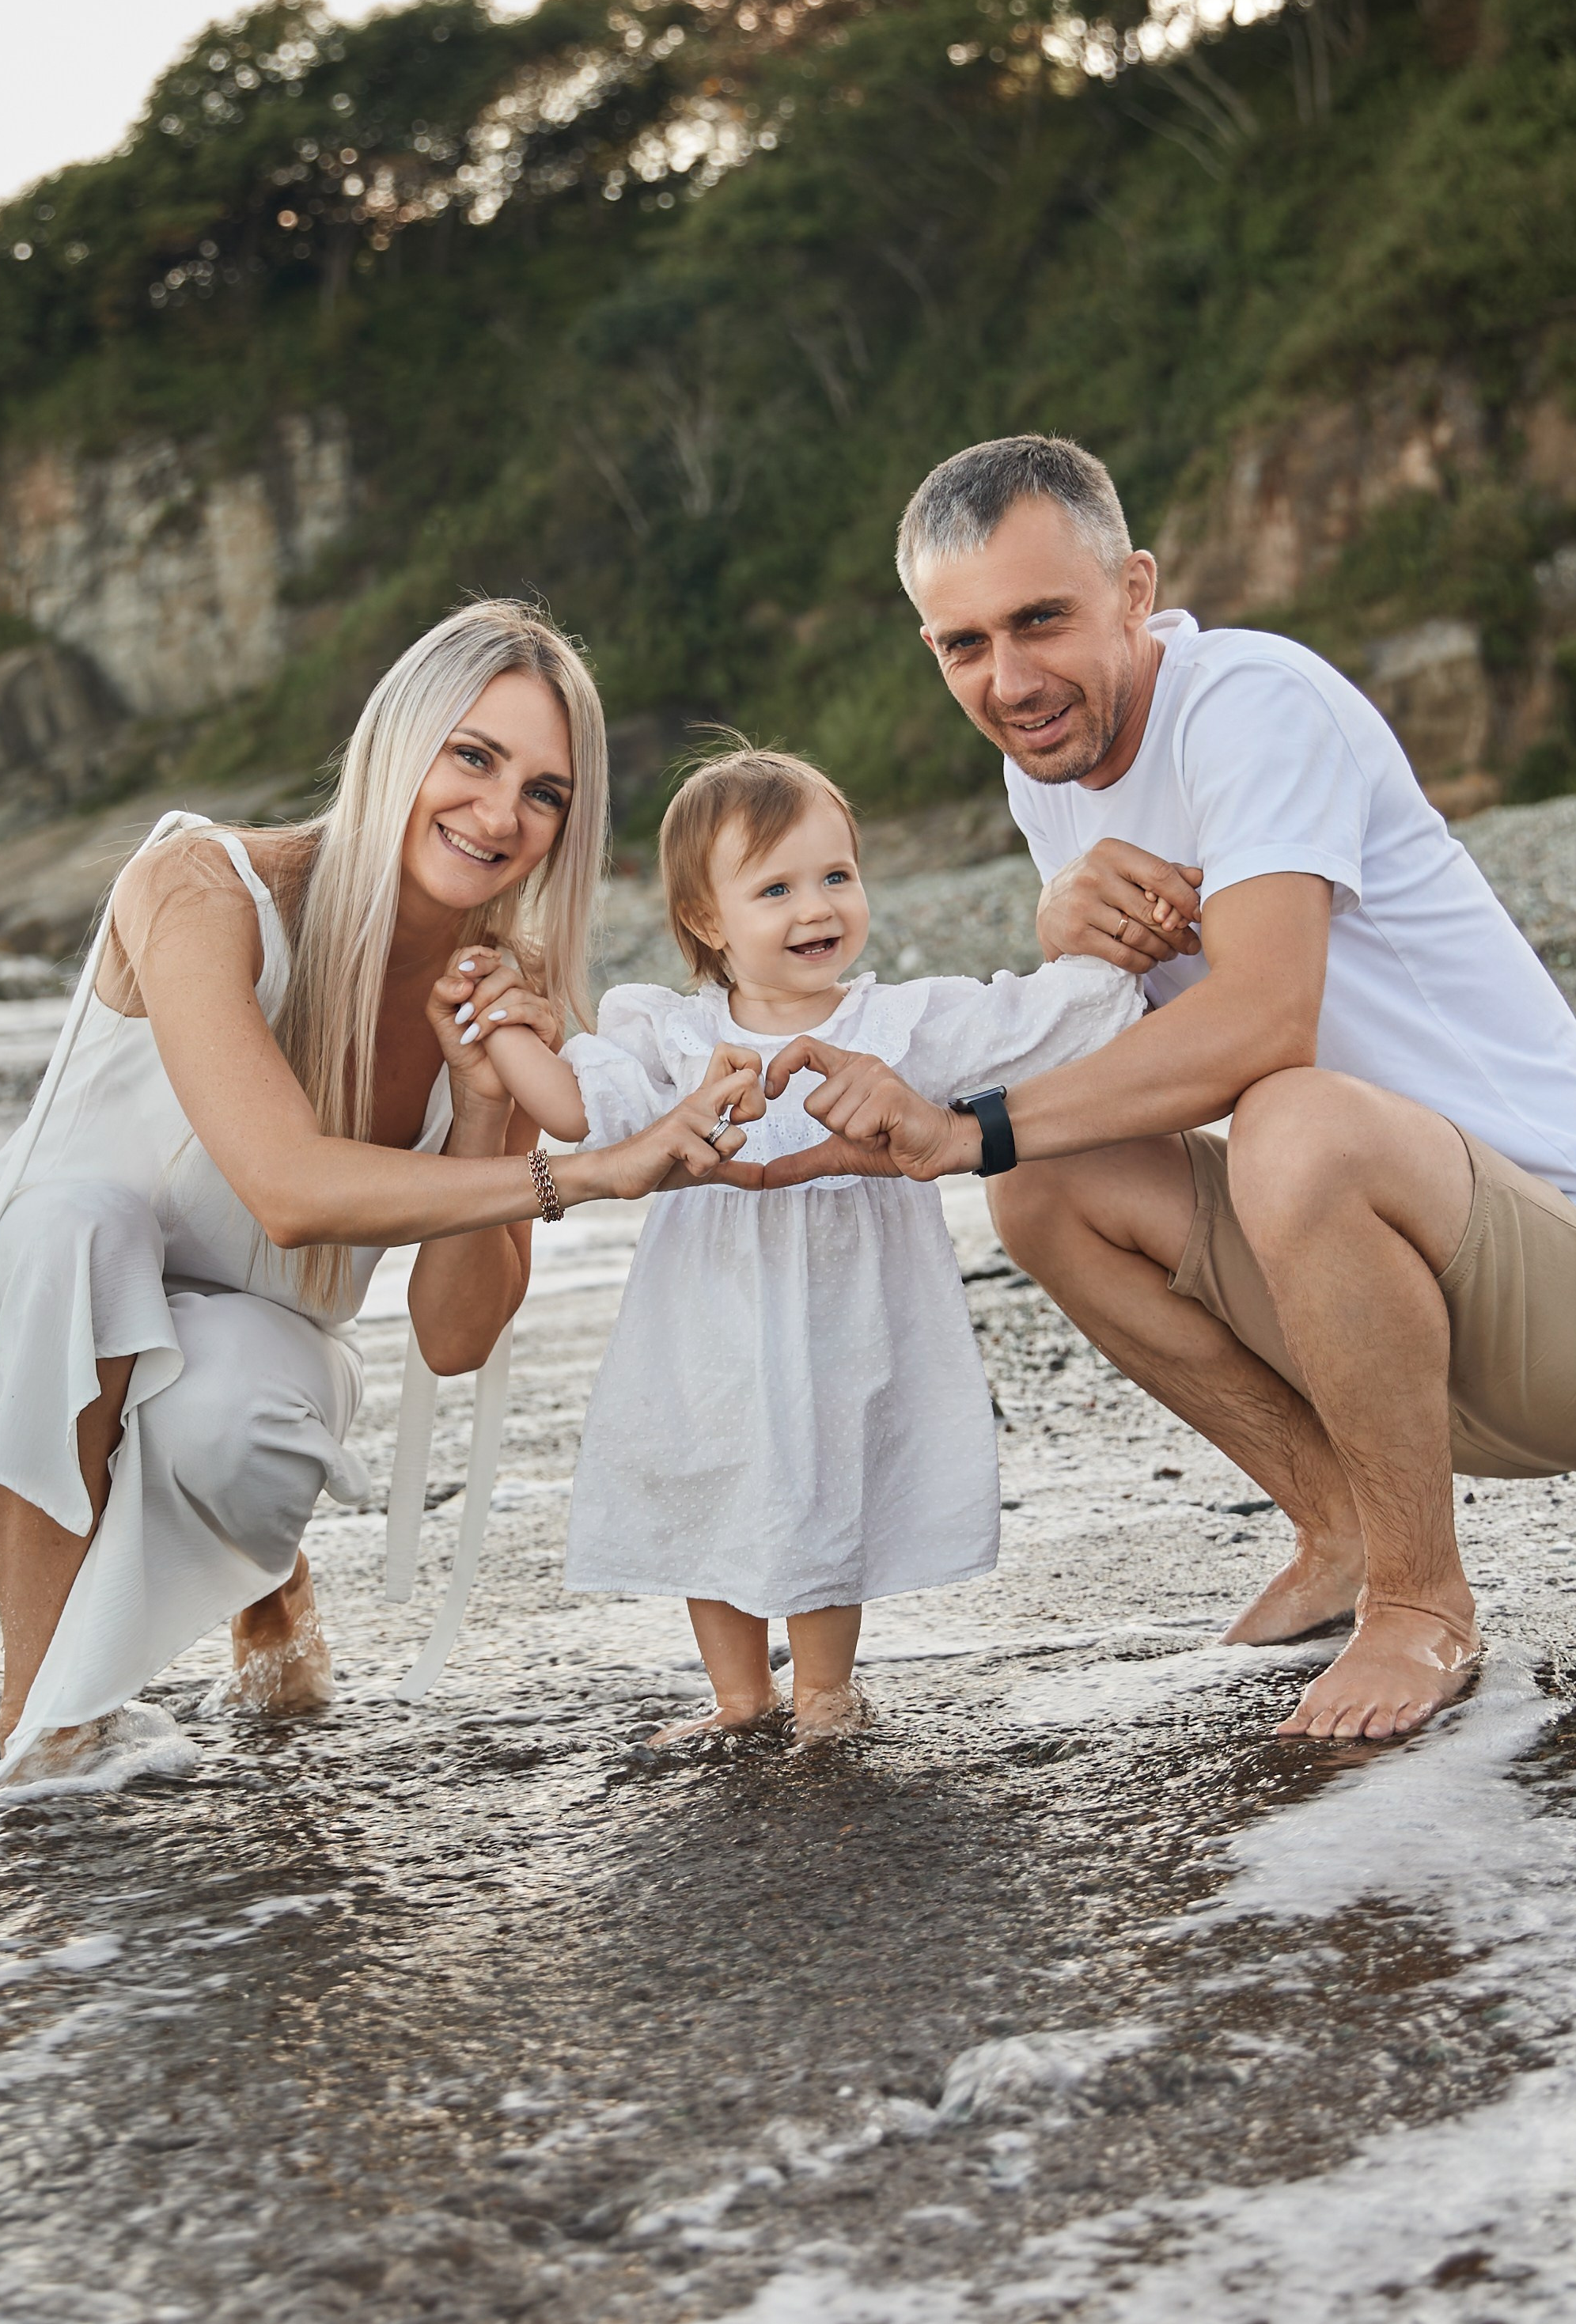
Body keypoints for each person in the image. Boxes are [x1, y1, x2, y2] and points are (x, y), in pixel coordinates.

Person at [757, 434, 1576, 1745]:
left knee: (1287, 1113)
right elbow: (1116, 1061)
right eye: (961, 645)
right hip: (1387, 1325)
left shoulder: (1252, 703)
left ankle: (1418, 1599)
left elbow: (1258, 1022)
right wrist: (1059, 929)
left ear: (1133, 590)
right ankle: (1338, 1522)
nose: (1009, 679)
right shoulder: (1042, 767)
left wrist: (969, 1127)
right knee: (1046, 1188)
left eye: (1040, 619)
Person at [0, 601, 761, 1783]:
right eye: (473, 756)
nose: (501, 815)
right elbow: (287, 1191)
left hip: (241, 1338)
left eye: (546, 792)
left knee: (245, 1425)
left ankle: (256, 1566)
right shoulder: (200, 884)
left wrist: (485, 1098)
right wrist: (591, 1170)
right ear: (400, 740)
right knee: (78, 1229)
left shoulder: (502, 993)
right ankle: (40, 1729)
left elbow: (454, 1336)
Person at [462, 741, 1138, 1745]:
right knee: (708, 1482)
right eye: (775, 888)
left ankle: (824, 1690)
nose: (816, 908)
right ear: (705, 920)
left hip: (847, 1317)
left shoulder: (900, 1025)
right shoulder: (671, 1038)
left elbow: (1036, 1025)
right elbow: (580, 1110)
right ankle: (737, 1696)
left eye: (836, 877)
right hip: (706, 1324)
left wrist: (1099, 939)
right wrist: (505, 1021)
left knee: (828, 1479)